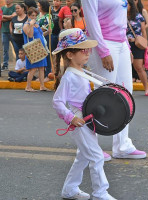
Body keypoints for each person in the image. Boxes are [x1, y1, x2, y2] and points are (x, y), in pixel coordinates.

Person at [52, 28, 117, 200]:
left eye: (87, 49)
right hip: (78, 119)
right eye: (82, 49)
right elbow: (57, 101)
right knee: (96, 156)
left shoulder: (82, 71)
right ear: (69, 55)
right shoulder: (69, 77)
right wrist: (71, 118)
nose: (87, 52)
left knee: (83, 157)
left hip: (87, 119)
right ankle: (100, 193)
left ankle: (69, 190)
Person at [82, 0, 147, 161]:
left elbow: (121, 19)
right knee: (103, 96)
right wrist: (103, 51)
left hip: (121, 43)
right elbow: (91, 20)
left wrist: (127, 46)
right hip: (103, 42)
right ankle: (91, 147)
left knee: (125, 94)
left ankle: (122, 145)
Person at [127, 0, 148, 96]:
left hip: (136, 44)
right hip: (124, 44)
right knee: (125, 67)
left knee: (139, 67)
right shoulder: (120, 16)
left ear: (131, 5)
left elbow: (143, 32)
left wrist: (146, 46)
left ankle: (146, 88)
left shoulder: (138, 16)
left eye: (127, 4)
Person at [23, 7, 49, 92]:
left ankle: (42, 86)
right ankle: (28, 86)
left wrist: (47, 32)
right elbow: (30, 35)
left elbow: (39, 35)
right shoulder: (26, 25)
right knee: (33, 69)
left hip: (40, 48)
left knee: (42, 67)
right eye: (32, 15)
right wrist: (31, 24)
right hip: (32, 49)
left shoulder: (36, 24)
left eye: (35, 16)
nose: (34, 17)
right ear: (28, 15)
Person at [134, 0, 148, 80]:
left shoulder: (142, 11)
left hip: (140, 38)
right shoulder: (127, 11)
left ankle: (140, 76)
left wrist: (141, 28)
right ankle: (133, 76)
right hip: (131, 38)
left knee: (140, 59)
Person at [37, 0, 54, 82]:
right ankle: (41, 75)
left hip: (46, 37)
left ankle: (48, 74)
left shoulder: (48, 15)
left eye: (39, 6)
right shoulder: (38, 15)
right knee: (41, 56)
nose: (38, 7)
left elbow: (49, 27)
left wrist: (39, 30)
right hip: (39, 38)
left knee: (47, 56)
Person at [1, 0, 16, 71]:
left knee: (16, 48)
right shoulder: (2, 8)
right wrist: (9, 17)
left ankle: (19, 64)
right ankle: (5, 64)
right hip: (4, 31)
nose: (7, 0)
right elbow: (1, 19)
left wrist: (3, 16)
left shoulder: (15, 7)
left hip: (13, 32)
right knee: (5, 49)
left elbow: (13, 17)